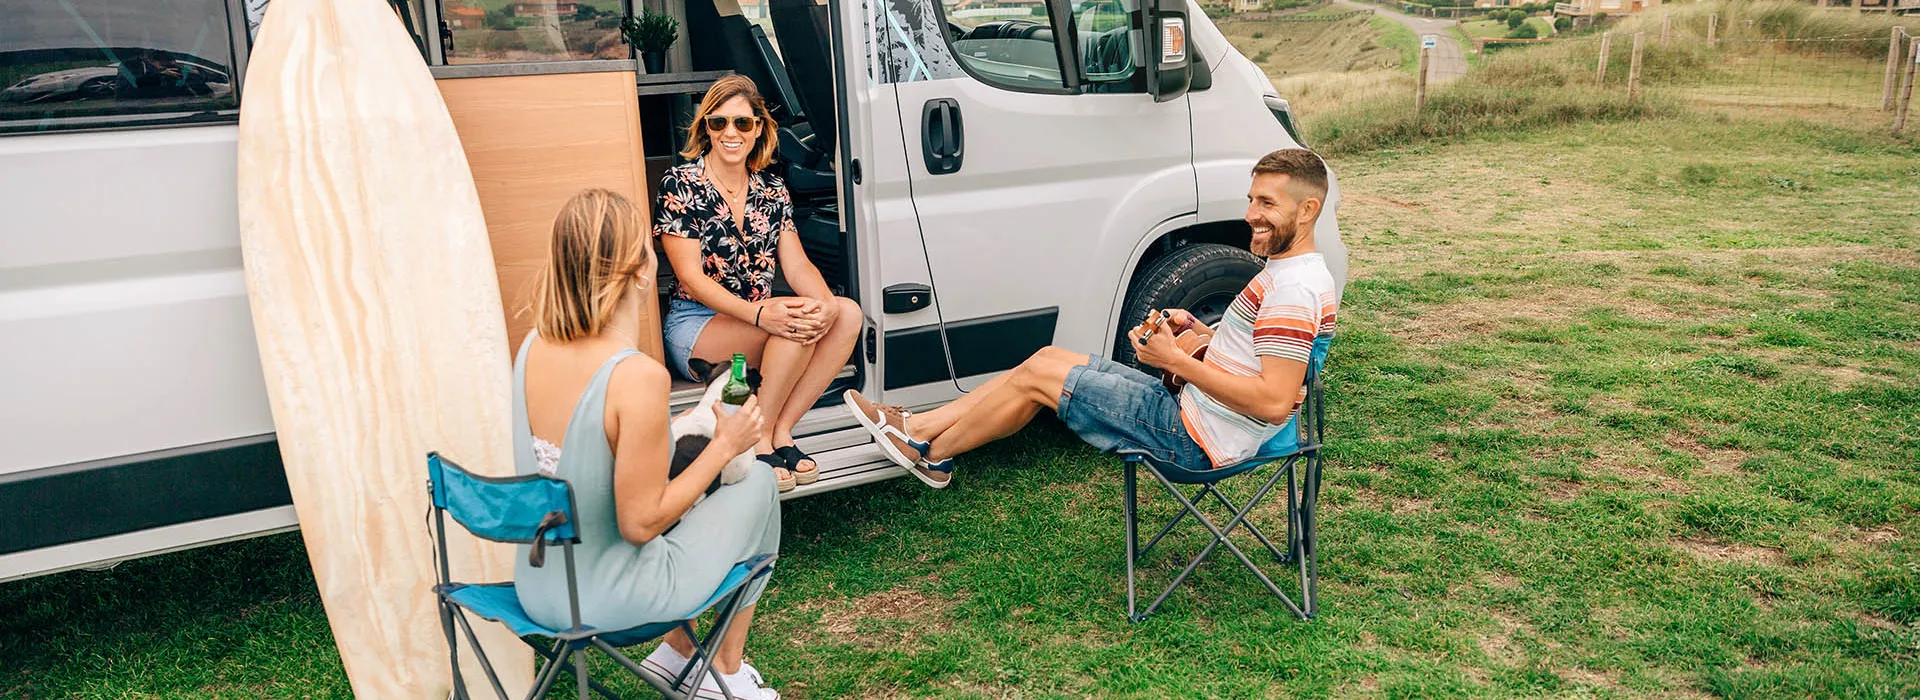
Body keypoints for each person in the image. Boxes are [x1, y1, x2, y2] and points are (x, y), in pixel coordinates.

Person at [844, 149, 1339, 487]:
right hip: (1198, 413)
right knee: (1046, 358)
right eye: (1252, 199)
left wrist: (1176, 361)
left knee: (1041, 376)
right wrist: (1199, 331)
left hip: (1195, 439)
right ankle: (924, 439)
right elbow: (1262, 356)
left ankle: (926, 443)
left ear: (1308, 209)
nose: (1251, 213)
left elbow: (1274, 402)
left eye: (1267, 203)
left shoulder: (1291, 292)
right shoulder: (1292, 273)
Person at [513, 188, 783, 699]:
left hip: (541, 586)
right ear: (641, 270)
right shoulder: (637, 376)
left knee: (698, 480)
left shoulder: (532, 348)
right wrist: (725, 446)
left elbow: (590, 456)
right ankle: (719, 671)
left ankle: (679, 657)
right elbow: (640, 524)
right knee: (761, 480)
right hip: (611, 599)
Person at [655, 74, 864, 492]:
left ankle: (782, 429)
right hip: (697, 323)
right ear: (706, 129)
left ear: (759, 129)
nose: (730, 133)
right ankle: (760, 439)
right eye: (719, 123)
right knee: (789, 324)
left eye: (742, 123)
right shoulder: (680, 183)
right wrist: (761, 314)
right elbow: (691, 280)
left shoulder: (771, 188)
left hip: (758, 316)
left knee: (846, 314)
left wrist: (823, 302)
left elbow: (797, 262)